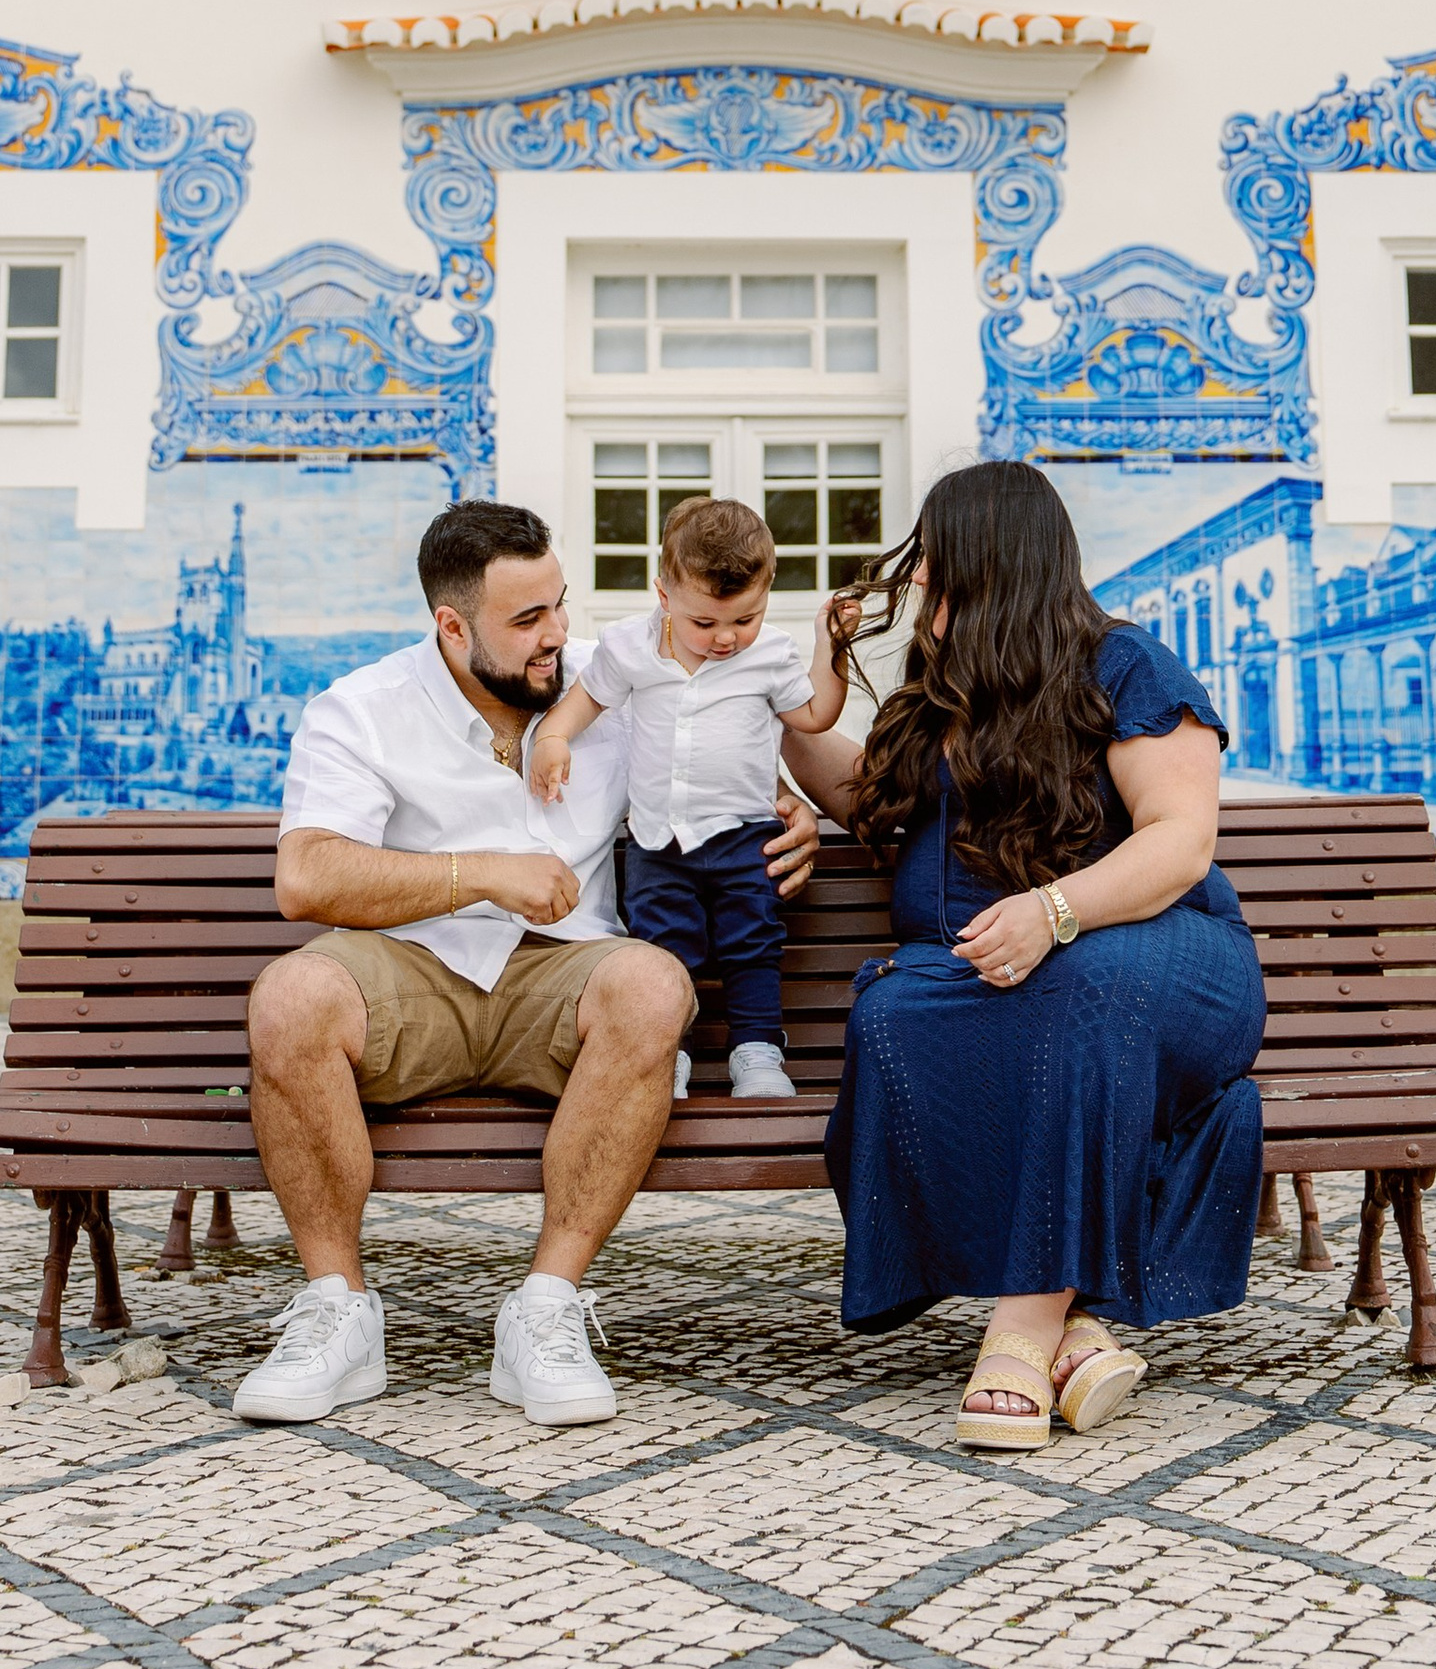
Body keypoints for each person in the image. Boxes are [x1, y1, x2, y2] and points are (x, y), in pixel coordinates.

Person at [232, 498, 820, 1432]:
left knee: (651, 982)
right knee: (292, 994)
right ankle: (337, 1311)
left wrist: (787, 807)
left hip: (562, 979)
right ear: (452, 625)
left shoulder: (614, 685)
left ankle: (545, 1307)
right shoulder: (366, 708)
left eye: (559, 605)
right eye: (527, 620)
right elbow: (306, 877)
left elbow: (753, 752)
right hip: (410, 977)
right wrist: (477, 876)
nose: (557, 637)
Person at [784, 459, 1265, 1452]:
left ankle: (1022, 1324)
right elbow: (857, 799)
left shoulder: (1126, 666)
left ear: (992, 567)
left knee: (1081, 989)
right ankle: (1076, 1333)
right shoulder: (943, 696)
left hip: (1163, 968)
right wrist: (798, 690)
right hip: (1015, 985)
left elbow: (1178, 842)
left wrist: (1054, 911)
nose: (916, 583)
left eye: (934, 561)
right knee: (891, 1013)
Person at [529, 493, 848, 1099]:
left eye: (745, 619)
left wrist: (830, 647)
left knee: (752, 940)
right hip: (657, 837)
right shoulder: (629, 649)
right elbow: (584, 701)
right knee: (661, 946)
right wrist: (552, 738)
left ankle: (756, 1053)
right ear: (663, 595)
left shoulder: (770, 656)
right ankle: (667, 1051)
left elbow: (814, 716)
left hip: (746, 833)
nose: (726, 638)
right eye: (706, 623)